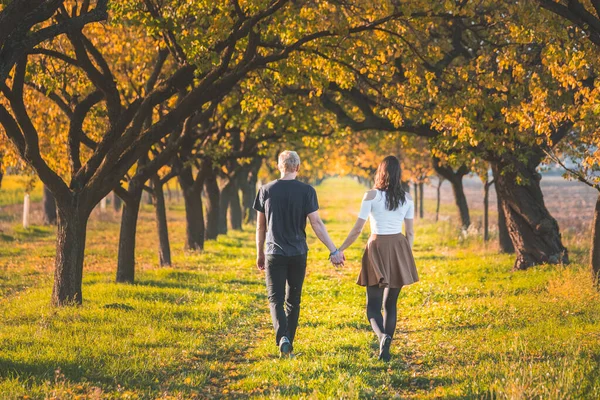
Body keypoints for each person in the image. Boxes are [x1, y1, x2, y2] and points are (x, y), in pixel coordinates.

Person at [254, 150, 345, 358]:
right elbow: (316, 223)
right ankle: (288, 342)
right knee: (293, 299)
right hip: (298, 253)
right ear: (298, 167)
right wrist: (334, 250)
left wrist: (259, 252)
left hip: (273, 253)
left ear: (279, 166)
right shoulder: (307, 191)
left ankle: (282, 338)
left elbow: (261, 227)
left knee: (275, 298)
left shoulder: (266, 190)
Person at [338, 155, 418, 362]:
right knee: (390, 304)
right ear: (399, 174)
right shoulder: (408, 199)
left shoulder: (371, 196)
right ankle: (387, 346)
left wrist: (340, 248)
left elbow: (358, 228)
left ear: (381, 173)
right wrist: (405, 258)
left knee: (372, 305)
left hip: (376, 248)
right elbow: (410, 233)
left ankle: (382, 337)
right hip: (399, 247)